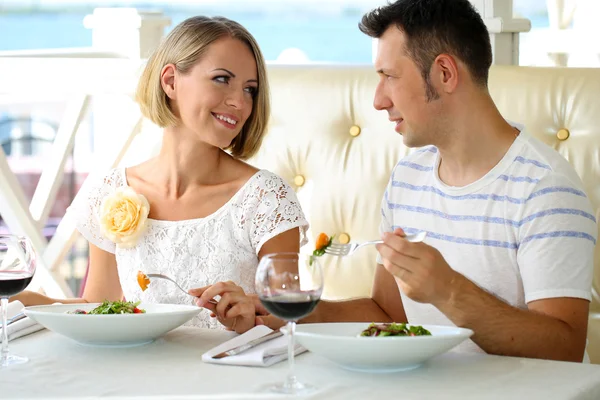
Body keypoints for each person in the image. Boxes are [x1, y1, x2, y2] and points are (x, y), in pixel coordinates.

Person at [262, 0, 597, 362]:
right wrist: (288, 311)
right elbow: (390, 316)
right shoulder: (409, 177)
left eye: (389, 76)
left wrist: (447, 289)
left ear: (445, 74)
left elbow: (564, 350)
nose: (377, 100)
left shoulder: (545, 189)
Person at [12, 16, 309, 334]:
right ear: (170, 81)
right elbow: (99, 306)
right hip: (137, 373)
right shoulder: (111, 191)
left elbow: (287, 316)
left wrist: (250, 315)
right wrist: (26, 302)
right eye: (222, 79)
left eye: (250, 89)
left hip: (229, 373)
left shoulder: (267, 197)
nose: (240, 102)